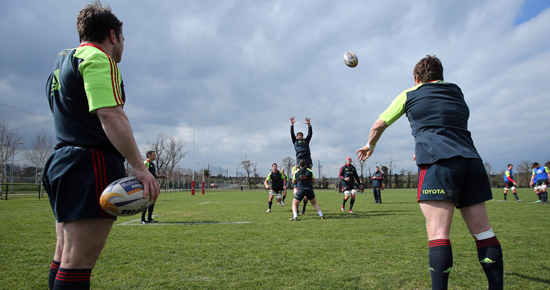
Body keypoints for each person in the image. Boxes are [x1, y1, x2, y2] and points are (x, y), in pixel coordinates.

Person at [356, 55, 503, 290]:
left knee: (438, 233)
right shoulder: (457, 92)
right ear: (441, 77)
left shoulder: (410, 93)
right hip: (472, 161)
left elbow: (378, 124)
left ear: (416, 79)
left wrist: (370, 145)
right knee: (483, 231)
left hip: (439, 163)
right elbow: (447, 123)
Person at [42, 2, 160, 289]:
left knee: (63, 256)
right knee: (78, 262)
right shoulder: (97, 58)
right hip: (88, 163)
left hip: (62, 161)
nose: (122, 46)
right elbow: (109, 113)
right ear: (113, 35)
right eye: (123, 39)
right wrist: (138, 167)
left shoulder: (63, 61)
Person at [141, 150, 167, 224]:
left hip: (153, 185)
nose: (155, 156)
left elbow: (153, 175)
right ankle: (142, 219)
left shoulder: (152, 164)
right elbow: (143, 173)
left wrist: (161, 176)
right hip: (148, 185)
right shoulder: (146, 163)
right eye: (153, 154)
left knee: (152, 201)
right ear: (149, 155)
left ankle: (149, 218)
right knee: (146, 201)